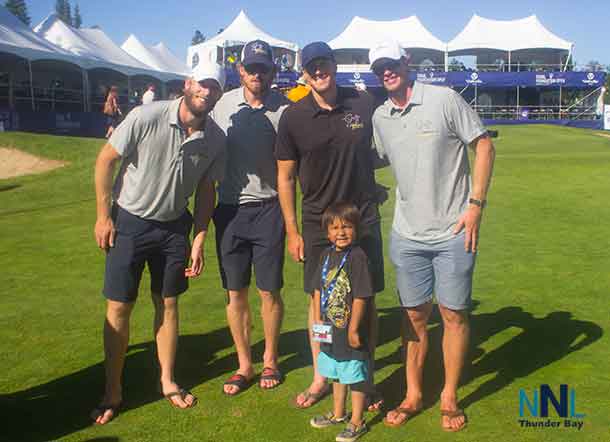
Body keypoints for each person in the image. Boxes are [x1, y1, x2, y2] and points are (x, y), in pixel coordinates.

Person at [369, 41, 496, 432]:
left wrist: (475, 204)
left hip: (454, 230)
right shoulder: (380, 116)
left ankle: (449, 396)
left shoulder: (443, 99)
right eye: (379, 68)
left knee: (453, 314)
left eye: (391, 64)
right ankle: (412, 394)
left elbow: (484, 144)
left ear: (406, 63)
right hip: (407, 234)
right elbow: (374, 160)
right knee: (412, 317)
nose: (386, 71)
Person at [91, 62, 227, 425]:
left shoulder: (216, 138)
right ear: (188, 83)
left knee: (167, 305)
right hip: (130, 223)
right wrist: (104, 216)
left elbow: (205, 192)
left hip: (173, 230)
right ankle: (112, 390)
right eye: (202, 85)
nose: (206, 92)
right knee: (119, 307)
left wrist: (198, 238)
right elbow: (106, 160)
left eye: (214, 87)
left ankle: (167, 381)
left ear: (219, 93)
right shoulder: (145, 115)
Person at [276, 42, 385, 410]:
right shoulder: (293, 117)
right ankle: (322, 376)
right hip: (318, 224)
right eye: (311, 67)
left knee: (365, 301)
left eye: (324, 64)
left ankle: (364, 380)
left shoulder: (363, 103)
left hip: (363, 220)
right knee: (319, 303)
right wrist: (292, 230)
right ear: (304, 73)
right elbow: (285, 177)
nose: (319, 71)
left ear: (334, 66)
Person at [211, 40, 290, 395]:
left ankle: (270, 358)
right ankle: (244, 364)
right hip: (228, 211)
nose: (257, 74)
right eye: (251, 68)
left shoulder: (284, 110)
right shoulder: (222, 105)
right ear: (240, 70)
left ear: (273, 72)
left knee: (269, 291)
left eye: (264, 68)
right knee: (235, 292)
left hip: (269, 209)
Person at [309, 202, 374, 442]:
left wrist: (355, 329)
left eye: (347, 226)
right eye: (335, 227)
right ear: (327, 232)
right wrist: (317, 319)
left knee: (353, 374)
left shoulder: (358, 258)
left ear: (356, 229)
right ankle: (338, 414)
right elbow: (317, 290)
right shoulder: (326, 255)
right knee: (335, 371)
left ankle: (357, 421)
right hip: (329, 329)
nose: (341, 232)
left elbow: (361, 296)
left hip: (350, 330)